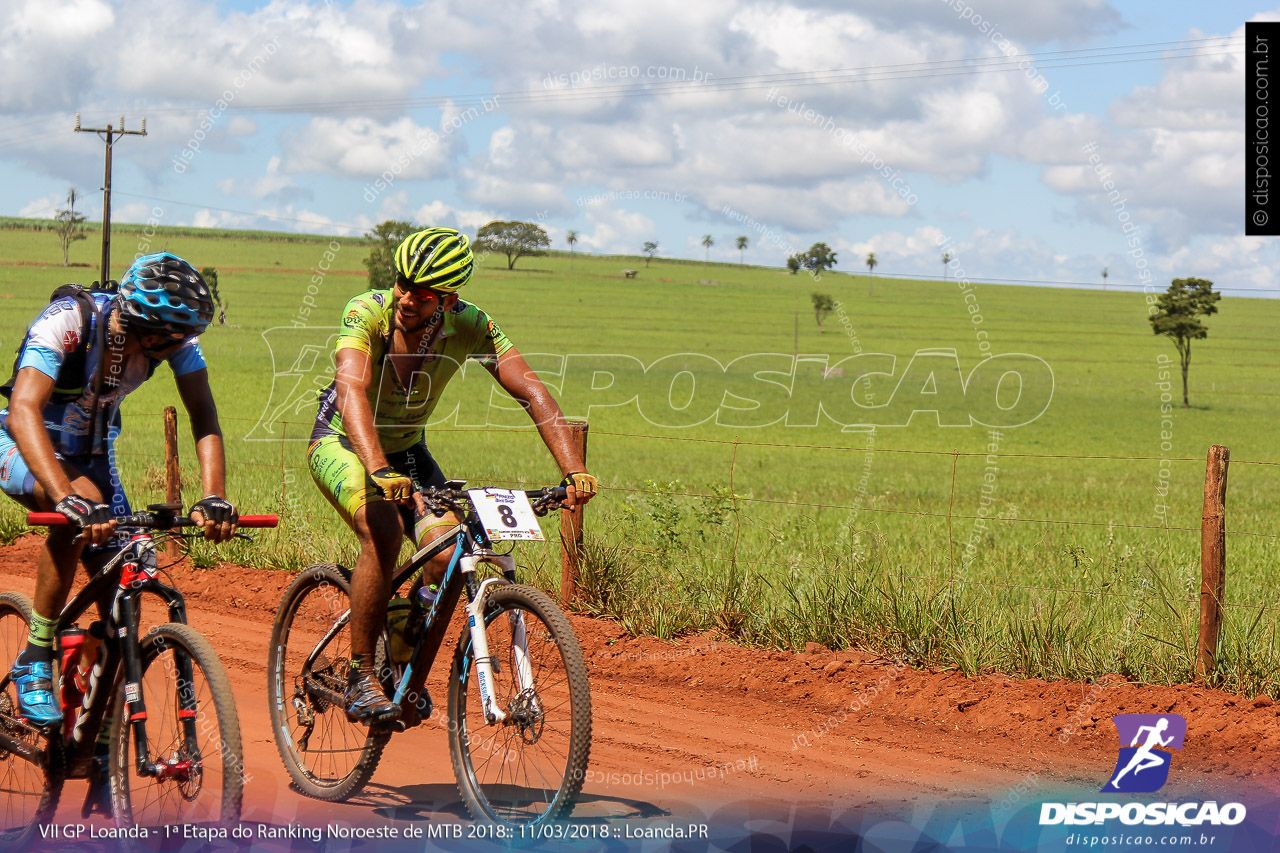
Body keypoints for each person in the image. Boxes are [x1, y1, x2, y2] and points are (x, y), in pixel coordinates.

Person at [308, 226, 596, 724]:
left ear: (448, 298)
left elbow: (531, 389)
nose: (405, 298)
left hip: (408, 453)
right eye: (402, 284)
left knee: (444, 551)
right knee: (383, 529)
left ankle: (400, 654)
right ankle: (359, 676)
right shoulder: (366, 310)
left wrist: (573, 469)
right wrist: (376, 467)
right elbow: (351, 389)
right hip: (344, 442)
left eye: (422, 294)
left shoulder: (472, 325)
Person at [0, 252, 236, 811]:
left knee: (123, 597)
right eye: (170, 337)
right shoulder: (68, 322)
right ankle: (35, 654)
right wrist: (63, 496)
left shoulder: (175, 341)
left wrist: (214, 495)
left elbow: (203, 413)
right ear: (143, 325)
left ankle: (97, 737)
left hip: (90, 459)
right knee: (78, 515)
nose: (179, 346)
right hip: (17, 442)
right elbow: (23, 410)